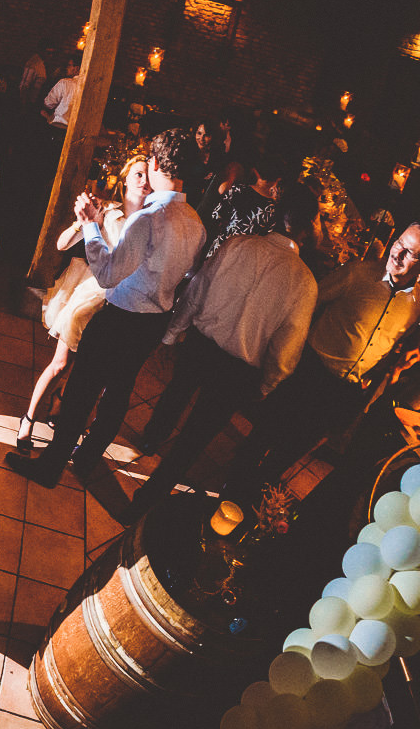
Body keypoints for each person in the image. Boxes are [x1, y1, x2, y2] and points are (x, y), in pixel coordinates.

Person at [6, 129, 206, 487]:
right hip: (154, 322)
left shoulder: (149, 219)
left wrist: (91, 227)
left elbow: (110, 274)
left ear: (157, 163)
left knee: (82, 392)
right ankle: (85, 461)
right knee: (119, 392)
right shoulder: (195, 222)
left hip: (120, 318)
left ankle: (51, 466)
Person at [127, 184, 321, 519]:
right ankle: (146, 501)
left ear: (274, 215)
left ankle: (151, 438)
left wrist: (174, 333)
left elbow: (197, 291)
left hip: (201, 344)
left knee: (176, 392)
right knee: (194, 438)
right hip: (238, 370)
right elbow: (287, 346)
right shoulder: (305, 282)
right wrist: (267, 384)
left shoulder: (237, 244)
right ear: (306, 231)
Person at [223, 221, 420, 507]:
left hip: (346, 392)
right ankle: (230, 488)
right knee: (267, 430)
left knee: (294, 448)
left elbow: (394, 342)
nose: (398, 254)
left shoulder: (416, 304)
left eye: (410, 252)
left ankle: (251, 496)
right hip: (310, 371)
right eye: (399, 243)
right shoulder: (359, 273)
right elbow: (310, 300)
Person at [18, 154, 150, 451]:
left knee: (90, 371)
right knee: (60, 364)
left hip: (119, 308)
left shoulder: (149, 224)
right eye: (139, 174)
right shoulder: (107, 211)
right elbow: (62, 244)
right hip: (89, 298)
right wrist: (82, 223)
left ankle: (59, 405)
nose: (144, 182)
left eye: (148, 177)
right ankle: (27, 419)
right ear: (126, 178)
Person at [204, 155, 286, 259]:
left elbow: (216, 216)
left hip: (221, 248)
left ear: (255, 172)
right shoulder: (274, 209)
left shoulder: (237, 190)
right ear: (278, 179)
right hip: (246, 258)